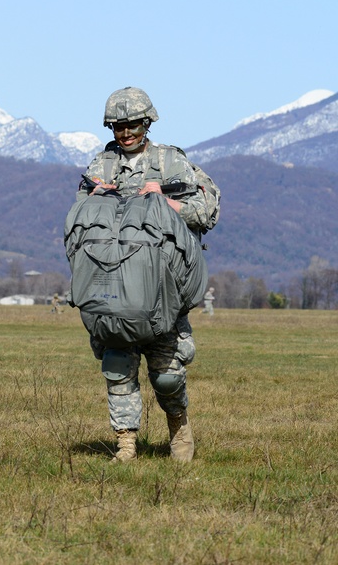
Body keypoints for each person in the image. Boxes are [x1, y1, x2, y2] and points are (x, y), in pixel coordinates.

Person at [78, 87, 218, 463]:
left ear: (147, 123)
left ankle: (180, 431)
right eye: (118, 126)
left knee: (167, 375)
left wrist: (167, 203)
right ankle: (126, 445)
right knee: (117, 367)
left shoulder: (171, 162)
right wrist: (97, 201)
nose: (125, 134)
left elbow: (207, 209)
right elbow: (80, 219)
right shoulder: (100, 165)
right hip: (114, 286)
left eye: (133, 126)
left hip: (162, 289)